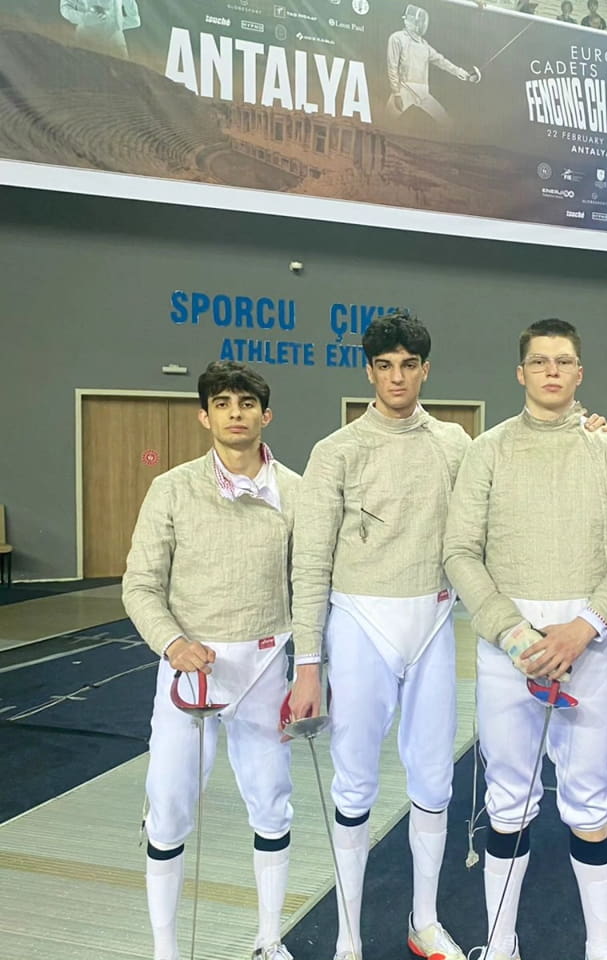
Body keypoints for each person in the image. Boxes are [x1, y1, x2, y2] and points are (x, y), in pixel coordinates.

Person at [443, 318, 607, 960]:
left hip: (587, 645)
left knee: (589, 801)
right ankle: (500, 945)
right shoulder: (488, 450)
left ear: (579, 373)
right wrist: (512, 634)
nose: (552, 371)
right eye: (540, 361)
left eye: (563, 361)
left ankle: (600, 950)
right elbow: (459, 551)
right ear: (521, 373)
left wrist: (584, 628)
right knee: (507, 800)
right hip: (510, 649)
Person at [286, 311, 472, 960]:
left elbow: (497, 503)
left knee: (434, 777)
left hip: (433, 623)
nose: (397, 377)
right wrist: (307, 664)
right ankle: (348, 939)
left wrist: (582, 430)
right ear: (369, 372)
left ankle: (425, 921)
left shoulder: (454, 444)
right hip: (359, 623)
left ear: (425, 370)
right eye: (385, 366)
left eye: (408, 365)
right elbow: (309, 563)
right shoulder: (336, 452)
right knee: (355, 781)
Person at [123, 361, 300, 960]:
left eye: (246, 403)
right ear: (204, 416)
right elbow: (140, 584)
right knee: (168, 807)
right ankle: (165, 950)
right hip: (188, 672)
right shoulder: (171, 489)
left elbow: (311, 585)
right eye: (222, 403)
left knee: (272, 803)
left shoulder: (297, 492)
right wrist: (173, 643)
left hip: (265, 666)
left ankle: (269, 940)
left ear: (265, 414)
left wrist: (312, 670)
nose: (235, 414)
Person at [385, 4, 481, 126]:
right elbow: (392, 66)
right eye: (420, 21)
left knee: (445, 121)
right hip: (405, 89)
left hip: (423, 92)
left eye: (423, 22)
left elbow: (442, 61)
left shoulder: (424, 45)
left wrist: (465, 74)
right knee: (385, 121)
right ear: (412, 21)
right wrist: (397, 93)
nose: (423, 25)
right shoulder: (397, 38)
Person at [60, 0, 141, 59]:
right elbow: (65, 8)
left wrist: (114, 24)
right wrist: (85, 18)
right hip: (87, 39)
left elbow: (134, 20)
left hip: (114, 41)